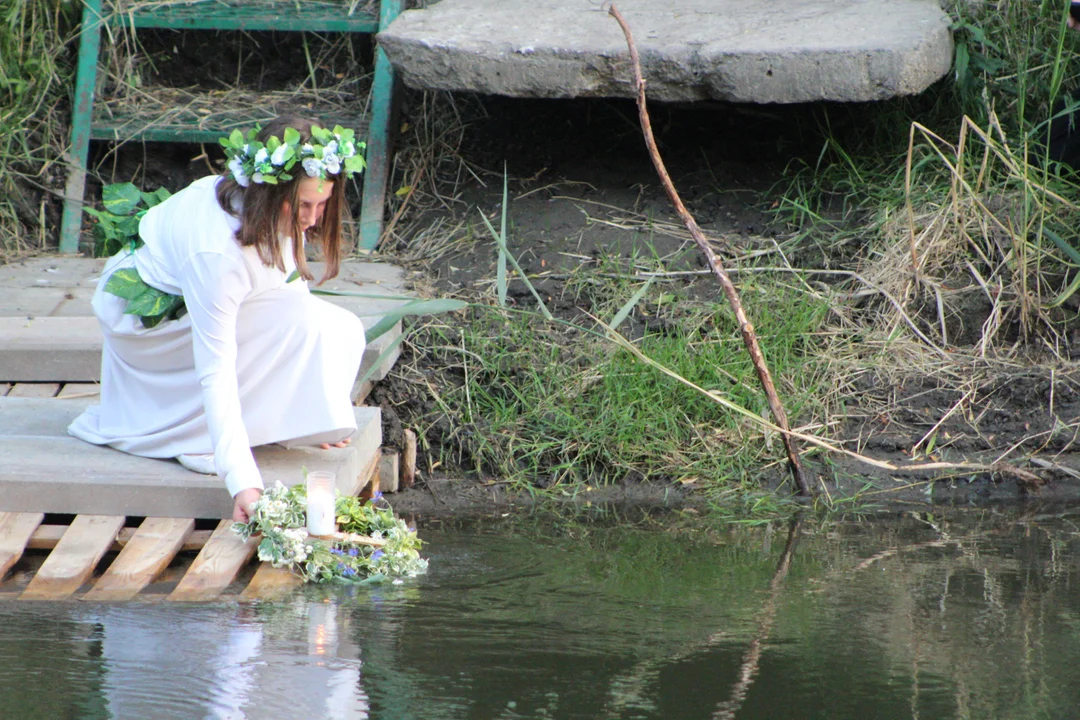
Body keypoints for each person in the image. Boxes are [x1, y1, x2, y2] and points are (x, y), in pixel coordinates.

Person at [69, 115, 368, 522]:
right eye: (303, 205)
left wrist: (318, 403)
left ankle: (258, 425)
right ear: (269, 190)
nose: (313, 219)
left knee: (342, 328)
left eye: (321, 204)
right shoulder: (217, 254)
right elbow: (216, 367)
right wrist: (242, 480)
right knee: (297, 319)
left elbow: (289, 288)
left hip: (200, 309)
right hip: (149, 326)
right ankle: (197, 437)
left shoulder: (269, 208)